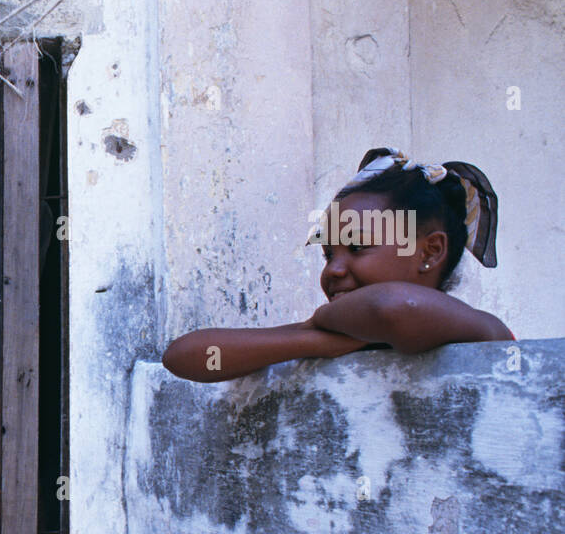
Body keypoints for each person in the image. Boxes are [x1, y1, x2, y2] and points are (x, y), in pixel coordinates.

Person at [162, 148, 514, 382]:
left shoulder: (480, 330)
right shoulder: (333, 336)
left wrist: (322, 322)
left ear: (430, 252)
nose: (333, 270)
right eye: (329, 254)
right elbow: (184, 355)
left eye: (358, 246)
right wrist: (315, 341)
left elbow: (393, 307)